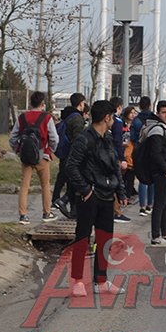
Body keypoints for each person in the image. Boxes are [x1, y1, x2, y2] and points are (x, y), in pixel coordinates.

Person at [65, 100, 129, 297]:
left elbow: (115, 165)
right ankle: (77, 280)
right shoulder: (84, 139)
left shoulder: (108, 138)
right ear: (106, 117)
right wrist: (85, 190)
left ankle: (101, 280)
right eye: (112, 116)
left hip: (108, 195)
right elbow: (71, 166)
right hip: (89, 196)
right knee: (82, 239)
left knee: (104, 239)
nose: (114, 120)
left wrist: (121, 192)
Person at [8, 91, 59, 225]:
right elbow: (54, 138)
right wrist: (49, 150)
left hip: (26, 157)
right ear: (43, 104)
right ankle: (46, 212)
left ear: (30, 103)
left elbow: (13, 137)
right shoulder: (47, 118)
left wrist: (18, 151)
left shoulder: (22, 117)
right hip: (43, 156)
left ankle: (23, 215)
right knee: (45, 185)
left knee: (24, 186)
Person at [141, 100, 166, 246]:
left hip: (162, 170)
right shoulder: (157, 129)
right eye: (164, 112)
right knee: (160, 204)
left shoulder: (161, 127)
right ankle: (156, 237)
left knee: (163, 203)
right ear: (158, 113)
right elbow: (155, 153)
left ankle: (165, 234)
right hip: (160, 171)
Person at [52, 93, 88, 218]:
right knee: (74, 181)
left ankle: (69, 207)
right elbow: (78, 138)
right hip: (72, 154)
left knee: (66, 179)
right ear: (80, 103)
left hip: (65, 152)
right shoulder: (77, 118)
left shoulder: (67, 115)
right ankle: (65, 201)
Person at [130, 96, 155, 216]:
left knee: (142, 179)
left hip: (139, 151)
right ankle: (150, 205)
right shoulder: (154, 119)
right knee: (152, 179)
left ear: (139, 106)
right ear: (150, 105)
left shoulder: (136, 120)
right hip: (152, 151)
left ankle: (142, 206)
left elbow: (133, 138)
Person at [110, 97, 131, 223]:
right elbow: (117, 141)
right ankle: (116, 212)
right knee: (115, 182)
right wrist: (121, 158)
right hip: (114, 156)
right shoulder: (117, 122)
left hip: (107, 154)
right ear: (119, 107)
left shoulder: (109, 120)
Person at [121, 106, 138, 199]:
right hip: (123, 150)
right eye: (131, 113)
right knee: (124, 174)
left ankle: (128, 193)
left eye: (134, 113)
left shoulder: (135, 125)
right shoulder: (121, 124)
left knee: (131, 174)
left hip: (132, 151)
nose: (133, 115)